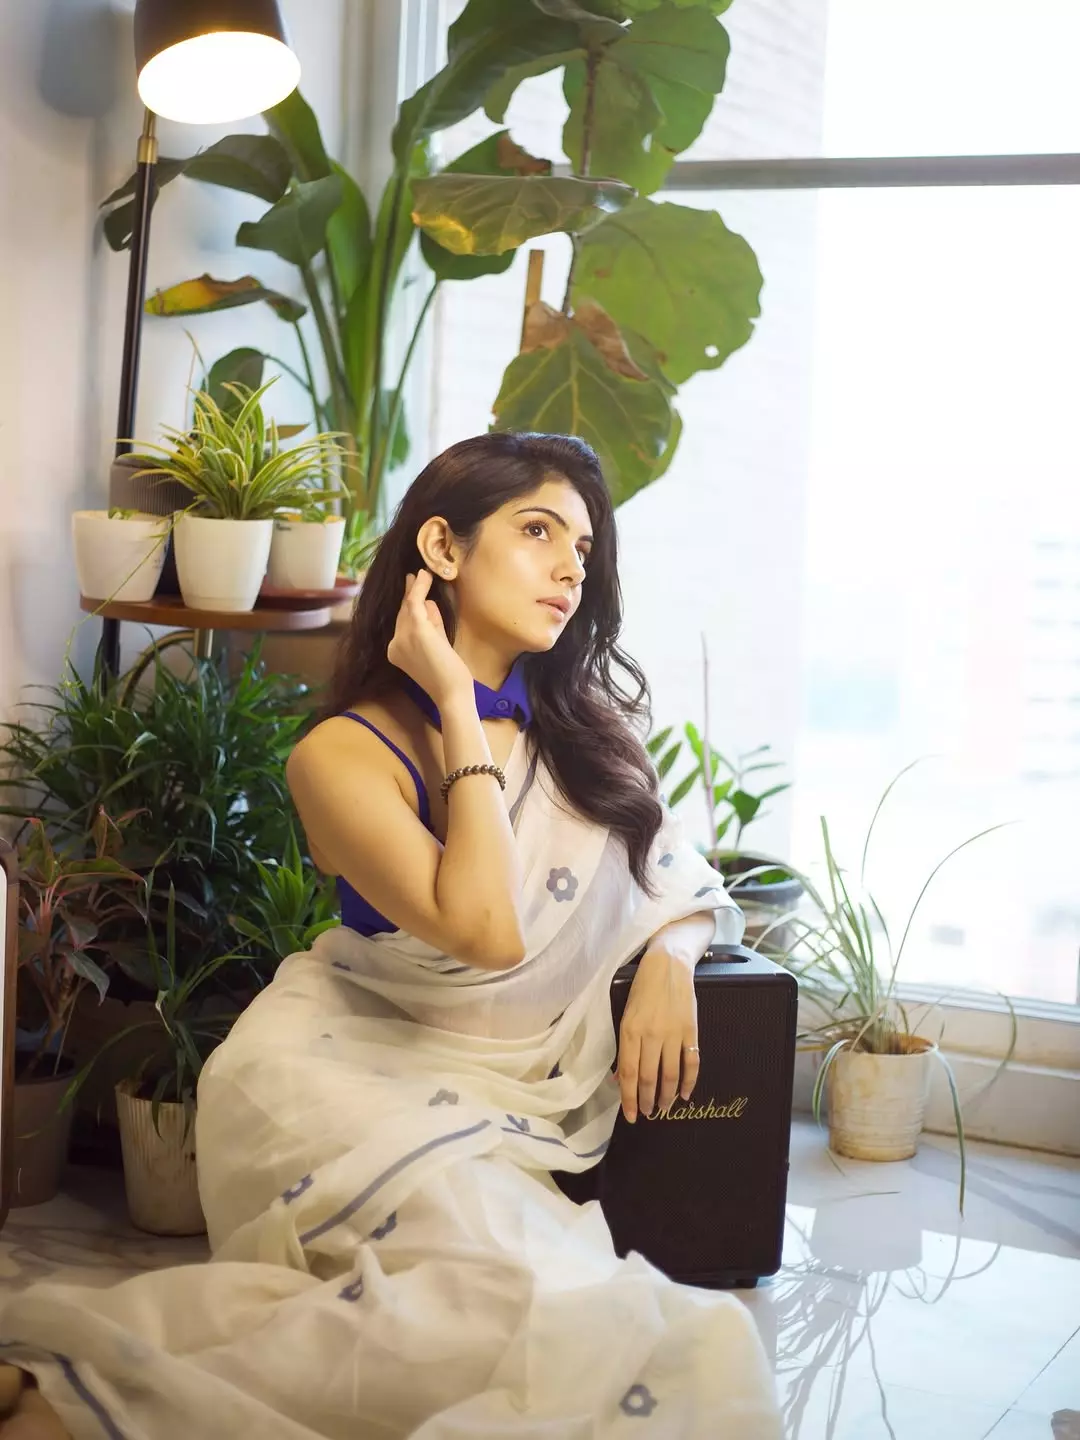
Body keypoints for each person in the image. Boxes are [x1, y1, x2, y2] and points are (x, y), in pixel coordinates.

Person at [0, 432, 780, 1438]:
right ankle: (82, 1397)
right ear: (443, 549)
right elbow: (488, 931)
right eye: (538, 532)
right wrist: (454, 700)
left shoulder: (587, 735)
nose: (570, 569)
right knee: (542, 1311)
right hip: (340, 1077)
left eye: (583, 549)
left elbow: (675, 873)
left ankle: (69, 1393)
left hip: (507, 1097)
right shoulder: (342, 755)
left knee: (491, 1306)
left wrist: (672, 955)